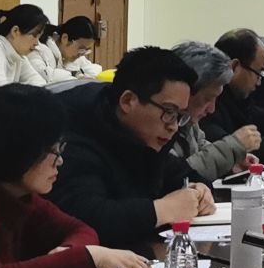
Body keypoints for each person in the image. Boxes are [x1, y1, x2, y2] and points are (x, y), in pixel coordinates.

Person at [0, 84, 152, 268]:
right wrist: (90, 258)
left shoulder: (22, 196)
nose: (60, 161)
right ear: (20, 150)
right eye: (53, 150)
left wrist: (68, 254)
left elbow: (81, 230)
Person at [46, 46, 216, 253]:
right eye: (169, 111)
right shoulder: (75, 134)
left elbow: (178, 173)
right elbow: (86, 217)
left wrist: (200, 189)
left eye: (180, 115)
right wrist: (162, 210)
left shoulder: (147, 133)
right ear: (128, 101)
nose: (173, 126)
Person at [168, 41, 257, 180]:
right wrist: (233, 147)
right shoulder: (160, 124)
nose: (212, 109)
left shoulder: (188, 119)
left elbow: (200, 148)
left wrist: (231, 162)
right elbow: (177, 175)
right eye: (208, 98)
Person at [207, 28, 264, 163]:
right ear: (234, 67)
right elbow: (229, 148)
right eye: (259, 73)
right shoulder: (209, 104)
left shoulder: (239, 101)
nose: (259, 83)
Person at [27, 15, 103, 84]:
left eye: (87, 50)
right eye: (81, 49)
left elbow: (95, 70)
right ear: (65, 38)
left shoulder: (74, 55)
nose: (82, 54)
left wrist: (79, 74)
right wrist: (76, 77)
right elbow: (47, 79)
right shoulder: (39, 51)